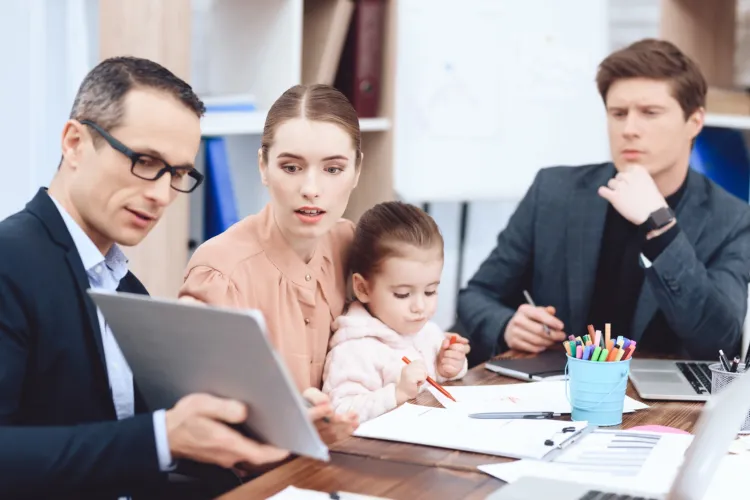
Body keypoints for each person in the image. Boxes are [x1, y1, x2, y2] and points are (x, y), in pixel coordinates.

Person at [0, 57, 307, 500]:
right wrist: (162, 437)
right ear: (74, 143)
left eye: (178, 174)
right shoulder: (10, 261)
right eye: (145, 161)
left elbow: (132, 441)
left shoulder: (125, 287)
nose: (162, 195)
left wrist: (274, 427)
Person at [457, 38, 750, 366]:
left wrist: (661, 226)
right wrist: (507, 325)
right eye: (618, 113)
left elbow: (719, 341)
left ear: (694, 122)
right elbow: (477, 295)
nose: (629, 129)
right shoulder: (554, 192)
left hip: (667, 407)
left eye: (650, 113)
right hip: (558, 389)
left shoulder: (732, 219)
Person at [179, 83, 362, 443]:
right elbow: (205, 424)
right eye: (291, 167)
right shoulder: (221, 272)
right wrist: (289, 421)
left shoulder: (350, 243)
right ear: (263, 166)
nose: (311, 188)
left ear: (357, 171)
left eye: (333, 169)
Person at [321, 202, 470, 423]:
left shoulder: (428, 332)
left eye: (430, 291)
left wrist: (449, 368)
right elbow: (339, 412)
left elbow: (437, 381)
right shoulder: (354, 350)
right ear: (362, 288)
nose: (420, 306)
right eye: (402, 294)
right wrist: (396, 394)